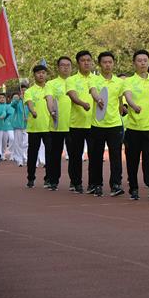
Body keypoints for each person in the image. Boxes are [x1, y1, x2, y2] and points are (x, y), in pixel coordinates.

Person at [122, 50, 149, 201]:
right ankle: (133, 188)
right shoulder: (129, 81)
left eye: (145, 60)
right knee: (132, 160)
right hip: (133, 127)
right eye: (139, 60)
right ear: (134, 63)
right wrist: (133, 105)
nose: (143, 63)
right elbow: (128, 96)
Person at [88, 51, 125, 197]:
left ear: (113, 63)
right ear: (99, 64)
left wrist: (124, 108)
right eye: (104, 62)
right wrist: (98, 99)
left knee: (116, 157)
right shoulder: (94, 80)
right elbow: (93, 92)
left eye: (110, 62)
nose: (107, 65)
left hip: (115, 124)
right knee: (96, 157)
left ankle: (116, 184)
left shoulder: (120, 82)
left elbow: (121, 100)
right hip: (97, 124)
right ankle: (96, 184)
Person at [66, 51, 96, 193]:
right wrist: (82, 103)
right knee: (75, 156)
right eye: (83, 60)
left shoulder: (96, 79)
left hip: (94, 123)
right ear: (78, 63)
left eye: (88, 60)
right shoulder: (71, 80)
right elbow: (72, 95)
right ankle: (76, 182)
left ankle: (93, 183)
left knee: (94, 155)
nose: (86, 63)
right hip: (76, 124)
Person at [44, 56, 73, 190]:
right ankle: (53, 180)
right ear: (58, 67)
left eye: (68, 65)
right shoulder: (51, 83)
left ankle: (75, 181)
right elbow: (49, 99)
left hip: (74, 125)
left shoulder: (76, 82)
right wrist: (52, 111)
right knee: (55, 155)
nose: (66, 67)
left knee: (74, 155)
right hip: (57, 125)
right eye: (63, 65)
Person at [24, 65, 51, 188]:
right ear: (34, 75)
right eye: (39, 73)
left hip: (49, 127)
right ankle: (31, 178)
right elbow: (29, 103)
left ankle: (48, 178)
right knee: (32, 154)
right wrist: (32, 110)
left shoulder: (50, 89)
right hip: (34, 127)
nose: (41, 75)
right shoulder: (29, 91)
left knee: (50, 154)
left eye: (43, 73)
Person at [9, 89, 28, 167]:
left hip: (27, 126)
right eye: (22, 91)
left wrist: (28, 118)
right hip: (18, 125)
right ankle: (19, 160)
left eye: (25, 91)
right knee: (18, 143)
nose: (23, 92)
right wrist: (18, 99)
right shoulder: (17, 102)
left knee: (26, 143)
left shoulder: (29, 102)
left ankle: (25, 157)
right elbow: (12, 105)